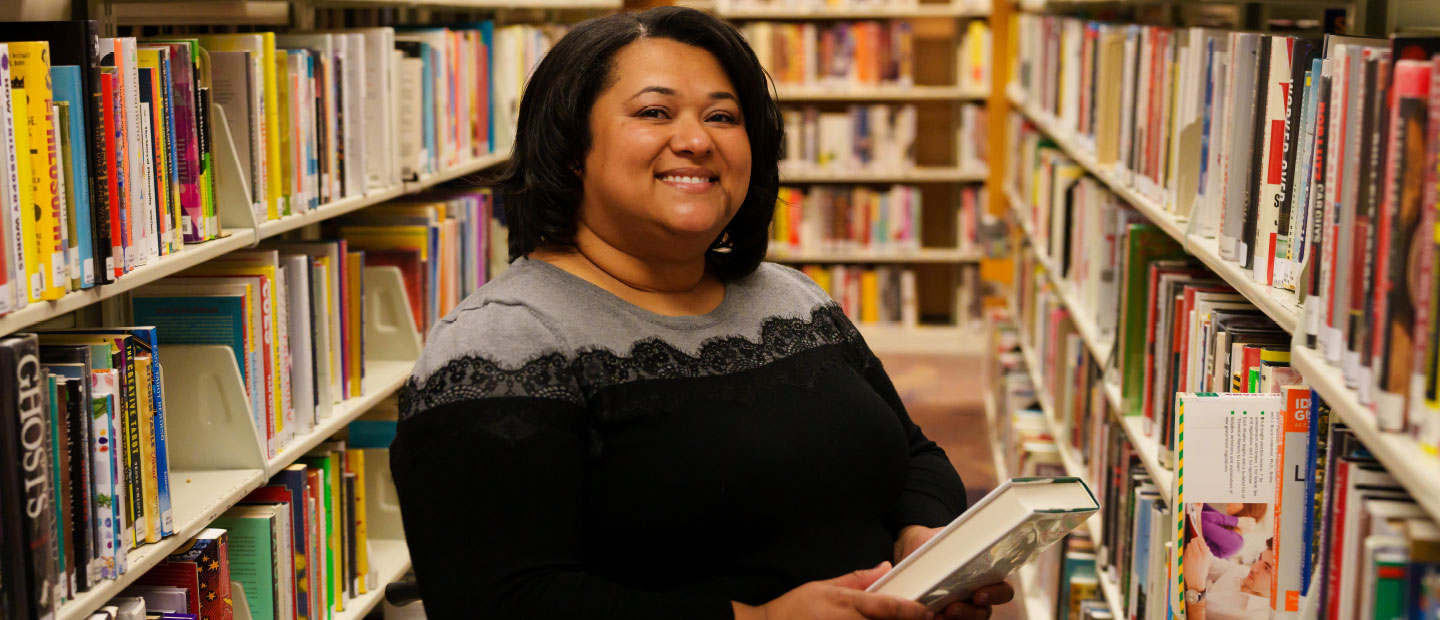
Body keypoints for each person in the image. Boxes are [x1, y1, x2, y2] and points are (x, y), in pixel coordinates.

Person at [388, 6, 1013, 619]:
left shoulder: (792, 300)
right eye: (654, 112)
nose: (696, 141)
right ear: (571, 147)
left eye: (723, 116)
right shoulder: (504, 342)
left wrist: (925, 541)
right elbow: (500, 600)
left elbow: (913, 454)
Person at [1182, 534, 1276, 620]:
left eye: (1267, 569)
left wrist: (1196, 589)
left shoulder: (1257, 617)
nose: (1253, 568)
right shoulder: (1243, 571)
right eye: (1260, 558)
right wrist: (1199, 545)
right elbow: (1209, 560)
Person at [1198, 502, 1266, 559]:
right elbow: (1201, 505)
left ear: (1247, 509)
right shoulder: (1227, 523)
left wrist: (1238, 521)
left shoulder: (1236, 542)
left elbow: (1200, 520)